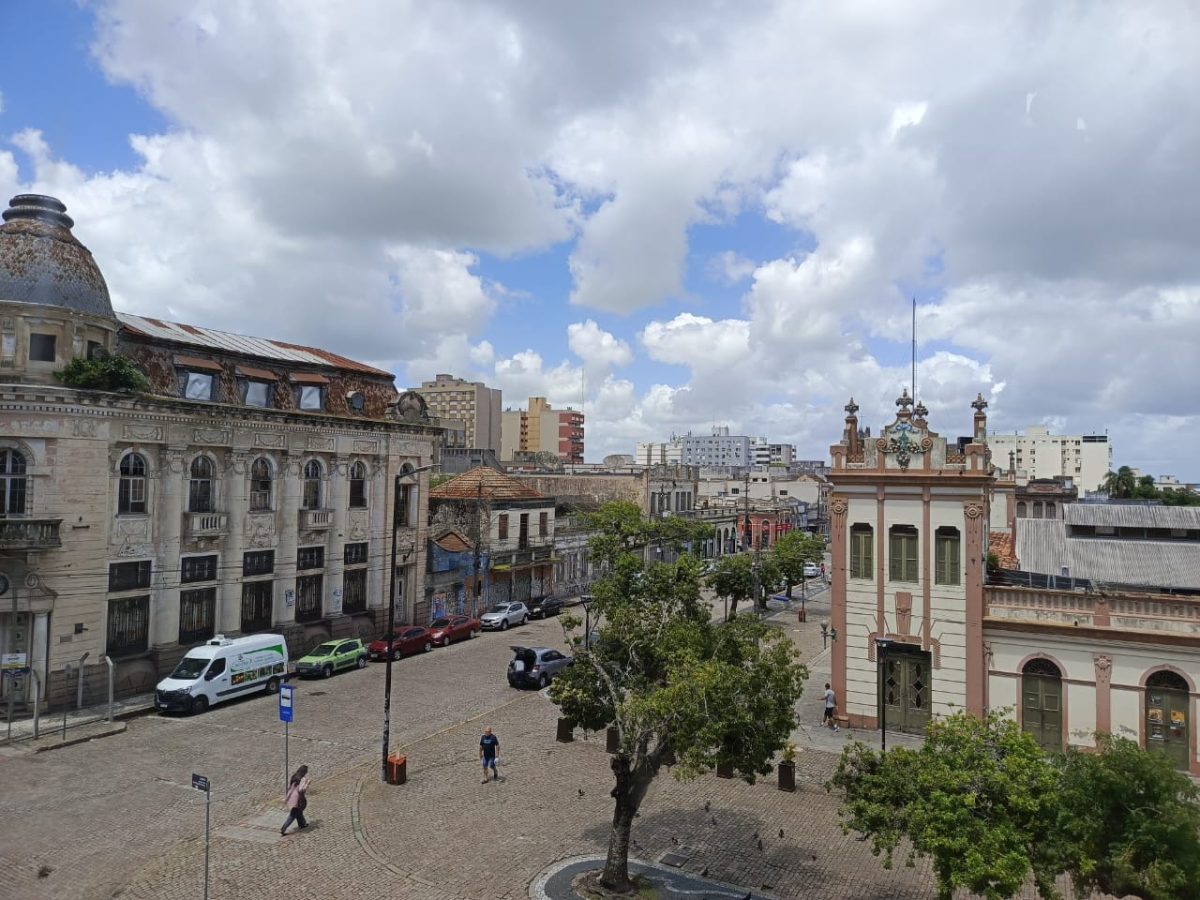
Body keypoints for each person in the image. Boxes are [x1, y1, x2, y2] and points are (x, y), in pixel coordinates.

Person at [280, 765, 311, 835]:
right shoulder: (302, 779)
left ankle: (302, 824)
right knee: (293, 815)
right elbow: (301, 790)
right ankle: (283, 828)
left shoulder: (294, 777)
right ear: (304, 772)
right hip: (297, 799)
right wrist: (307, 784)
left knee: (299, 812)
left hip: (291, 797)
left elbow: (289, 788)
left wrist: (286, 798)